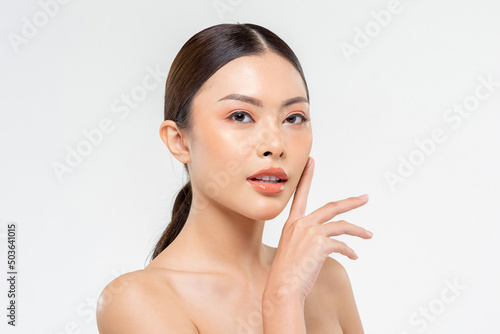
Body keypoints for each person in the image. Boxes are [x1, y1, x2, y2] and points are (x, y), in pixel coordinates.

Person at [96, 22, 373, 334]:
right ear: (179, 140)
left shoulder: (327, 280)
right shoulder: (139, 302)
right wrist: (283, 299)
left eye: (294, 118)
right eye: (240, 116)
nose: (275, 145)